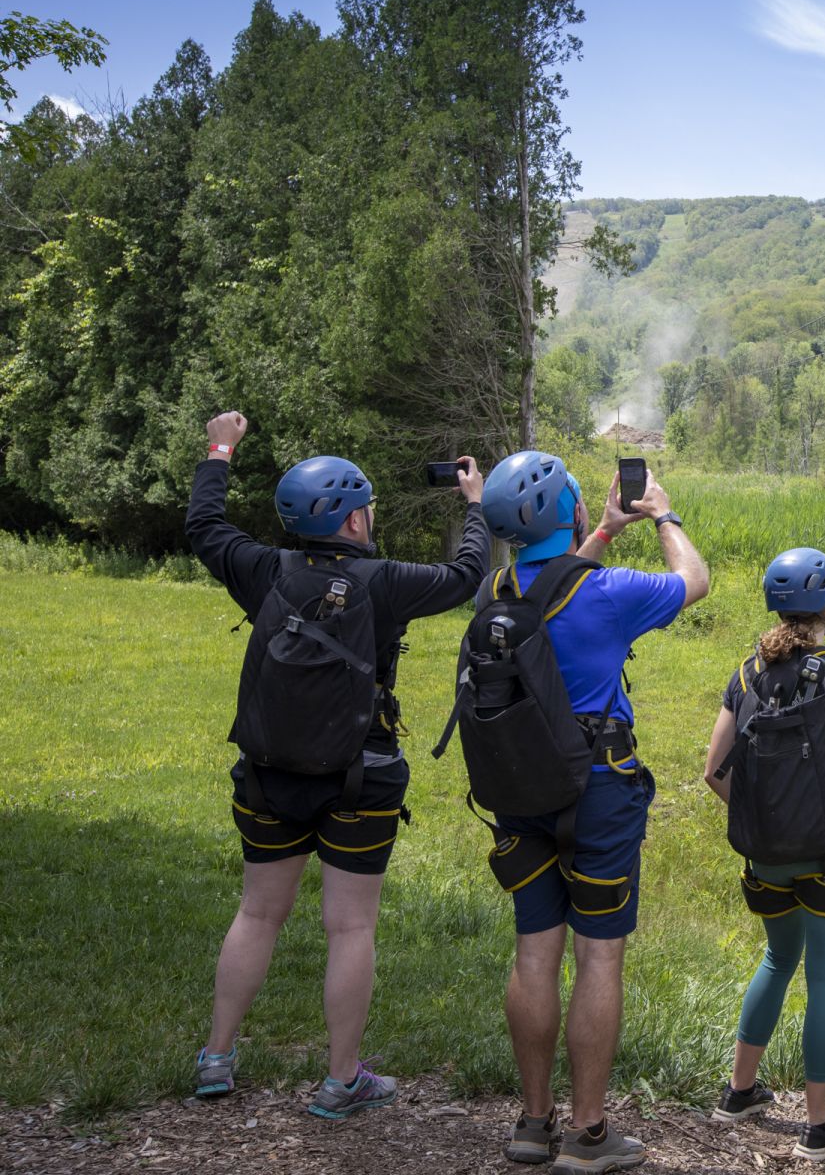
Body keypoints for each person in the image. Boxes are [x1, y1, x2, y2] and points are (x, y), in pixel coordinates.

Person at [185, 412, 490, 1117]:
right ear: (353, 520)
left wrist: (220, 449)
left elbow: (204, 526)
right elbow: (469, 572)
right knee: (349, 928)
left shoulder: (262, 570)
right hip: (361, 776)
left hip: (267, 774)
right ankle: (341, 1079)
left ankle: (217, 1058)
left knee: (257, 914)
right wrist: (474, 507)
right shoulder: (387, 583)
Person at [478, 451, 709, 1172]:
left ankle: (533, 1122)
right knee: (598, 954)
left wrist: (604, 531)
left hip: (520, 786)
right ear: (571, 510)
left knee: (534, 950)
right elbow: (694, 582)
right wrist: (662, 514)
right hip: (597, 791)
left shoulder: (497, 590)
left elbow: (554, 584)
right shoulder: (607, 593)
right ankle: (588, 1132)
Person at [701, 549, 825, 1162]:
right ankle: (818, 1126)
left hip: (764, 853)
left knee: (777, 957)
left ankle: (739, 1093)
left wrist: (759, 815)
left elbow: (713, 772)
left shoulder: (746, 673)